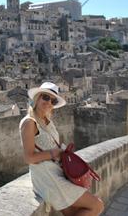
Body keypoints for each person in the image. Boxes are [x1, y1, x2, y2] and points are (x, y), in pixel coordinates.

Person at [19, 82, 104, 216]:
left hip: (57, 172)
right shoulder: (29, 122)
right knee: (96, 205)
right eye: (46, 98)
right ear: (37, 98)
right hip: (46, 177)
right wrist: (53, 153)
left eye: (52, 101)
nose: (48, 103)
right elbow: (29, 158)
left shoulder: (47, 122)